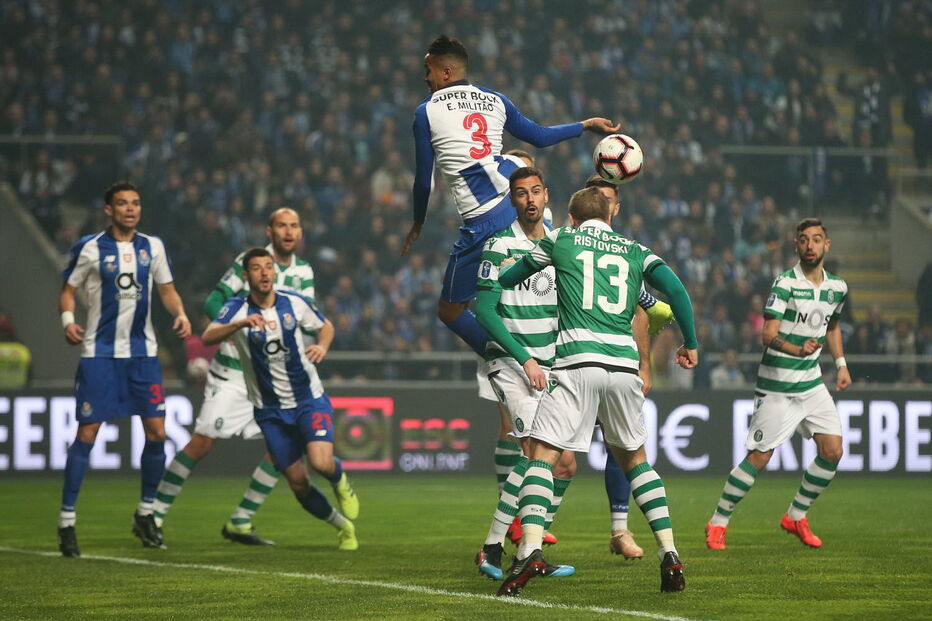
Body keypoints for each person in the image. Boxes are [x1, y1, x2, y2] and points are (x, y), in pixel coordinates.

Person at [494, 187, 699, 596]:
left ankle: (530, 550)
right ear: (611, 215)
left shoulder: (560, 239)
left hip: (575, 363)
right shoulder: (636, 249)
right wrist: (690, 343)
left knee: (542, 453)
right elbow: (675, 292)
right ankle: (670, 554)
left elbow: (507, 277)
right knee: (637, 461)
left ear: (571, 217)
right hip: (624, 368)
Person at [402, 34, 619, 356]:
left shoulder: (427, 111)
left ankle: (505, 358)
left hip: (486, 216)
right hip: (526, 200)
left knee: (451, 310)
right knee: (533, 291)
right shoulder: (496, 99)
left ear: (445, 72)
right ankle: (578, 341)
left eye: (428, 70)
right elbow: (541, 137)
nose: (425, 78)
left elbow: (424, 181)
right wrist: (585, 125)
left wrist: (417, 222)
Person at [151, 207, 339, 546]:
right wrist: (239, 332)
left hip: (275, 381)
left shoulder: (305, 271)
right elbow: (214, 302)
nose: (288, 232)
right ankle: (153, 514)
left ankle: (240, 521)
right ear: (270, 231)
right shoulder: (252, 262)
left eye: (295, 226)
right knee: (202, 442)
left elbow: (305, 319)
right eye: (281, 225)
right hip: (235, 371)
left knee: (281, 451)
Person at [57, 181, 192, 557]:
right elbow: (67, 289)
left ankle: (146, 513)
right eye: (122, 204)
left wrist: (179, 313)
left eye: (135, 203)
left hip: (143, 356)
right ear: (109, 210)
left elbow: (166, 289)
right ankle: (67, 521)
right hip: (99, 355)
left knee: (158, 433)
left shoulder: (154, 247)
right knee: (87, 435)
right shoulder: (89, 247)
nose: (130, 209)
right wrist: (68, 320)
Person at [705, 218, 851, 551]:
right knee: (759, 457)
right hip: (777, 385)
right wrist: (797, 349)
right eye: (803, 240)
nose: (810, 246)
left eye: (816, 240)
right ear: (796, 246)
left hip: (812, 384)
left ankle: (796, 515)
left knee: (833, 450)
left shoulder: (837, 288)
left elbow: (832, 327)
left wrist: (840, 364)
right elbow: (767, 335)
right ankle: (718, 522)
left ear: (826, 245)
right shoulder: (785, 283)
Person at [202, 247, 358, 550]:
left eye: (268, 267)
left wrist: (323, 347)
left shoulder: (293, 302)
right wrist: (238, 325)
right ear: (246, 276)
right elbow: (208, 336)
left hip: (307, 399)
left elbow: (325, 326)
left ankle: (340, 481)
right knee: (298, 483)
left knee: (320, 462)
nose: (264, 273)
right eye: (257, 268)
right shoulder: (236, 308)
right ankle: (343, 527)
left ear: (274, 272)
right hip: (270, 410)